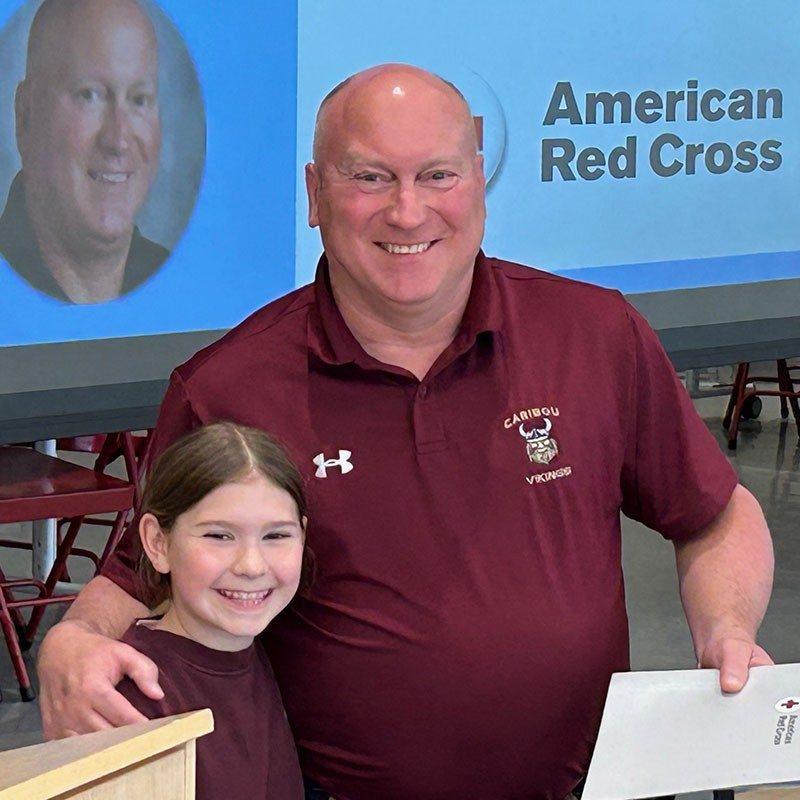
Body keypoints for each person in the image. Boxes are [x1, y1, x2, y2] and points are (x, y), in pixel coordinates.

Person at [37, 64, 774, 800]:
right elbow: (142, 572)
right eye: (370, 178)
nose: (408, 211)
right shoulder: (228, 389)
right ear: (314, 195)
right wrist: (74, 641)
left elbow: (714, 514)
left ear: (478, 183)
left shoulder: (594, 334)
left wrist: (727, 633)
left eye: (437, 175)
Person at [116, 422, 306, 800]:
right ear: (158, 543)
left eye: (276, 536)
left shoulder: (256, 651)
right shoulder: (136, 696)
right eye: (219, 536)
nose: (251, 565)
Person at [0, 0, 168, 304]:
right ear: (26, 115)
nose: (118, 141)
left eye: (139, 99)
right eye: (89, 95)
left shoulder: (185, 284)